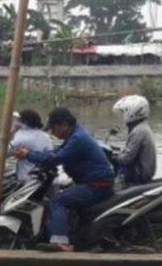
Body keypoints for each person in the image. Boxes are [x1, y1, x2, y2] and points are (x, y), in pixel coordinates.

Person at [14, 107, 114, 252]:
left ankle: (60, 242)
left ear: (65, 124)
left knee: (57, 201)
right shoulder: (74, 136)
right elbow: (56, 152)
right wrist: (34, 154)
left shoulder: (78, 138)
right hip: (92, 182)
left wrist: (29, 155)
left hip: (96, 185)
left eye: (54, 128)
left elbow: (58, 158)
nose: (52, 133)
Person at [111, 94, 157, 186]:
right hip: (143, 171)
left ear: (133, 112)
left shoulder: (138, 131)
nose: (123, 115)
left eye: (124, 112)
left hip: (139, 175)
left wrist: (113, 157)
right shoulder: (141, 127)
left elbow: (126, 159)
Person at [7, 108, 54, 182]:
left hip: (26, 180)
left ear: (24, 122)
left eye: (18, 120)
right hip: (42, 177)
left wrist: (11, 132)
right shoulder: (46, 136)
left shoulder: (21, 137)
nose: (15, 122)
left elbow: (2, 152)